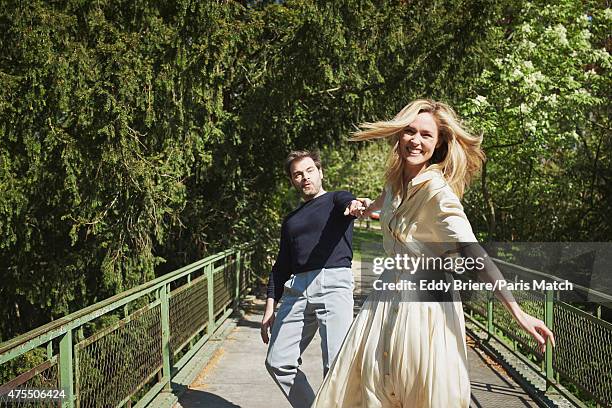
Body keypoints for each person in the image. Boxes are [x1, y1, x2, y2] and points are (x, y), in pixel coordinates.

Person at [311, 99, 555, 408]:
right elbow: (383, 201)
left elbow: (473, 251)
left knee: (417, 390)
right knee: (370, 386)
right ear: (399, 135)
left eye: (426, 135)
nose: (416, 140)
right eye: (410, 131)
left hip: (425, 308)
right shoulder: (395, 181)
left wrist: (518, 313)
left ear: (438, 144)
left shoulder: (439, 193)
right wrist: (361, 208)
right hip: (386, 297)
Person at [261, 150, 365, 408]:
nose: (304, 177)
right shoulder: (291, 221)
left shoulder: (335, 200)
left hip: (333, 282)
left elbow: (348, 201)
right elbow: (280, 267)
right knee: (277, 361)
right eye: (298, 174)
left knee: (335, 365)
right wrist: (269, 309)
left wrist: (354, 205)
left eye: (309, 171)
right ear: (293, 181)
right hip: (297, 288)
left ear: (320, 172)